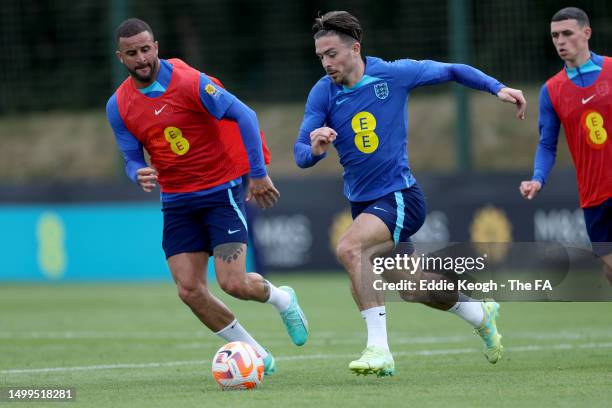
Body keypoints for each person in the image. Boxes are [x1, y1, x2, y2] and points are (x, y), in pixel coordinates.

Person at [295, 11, 526, 376]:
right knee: (413, 289)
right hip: (363, 204)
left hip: (400, 197)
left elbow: (453, 70)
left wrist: (497, 88)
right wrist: (316, 149)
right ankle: (480, 313)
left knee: (350, 248)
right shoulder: (322, 93)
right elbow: (300, 153)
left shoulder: (393, 74)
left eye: (332, 54)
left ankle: (379, 350)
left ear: (355, 48)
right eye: (320, 56)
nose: (326, 63)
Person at [106, 18, 309, 376]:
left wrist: (258, 174)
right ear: (120, 57)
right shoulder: (119, 105)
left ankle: (282, 299)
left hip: (220, 192)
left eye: (146, 49)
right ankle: (256, 354)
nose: (141, 58)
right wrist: (136, 171)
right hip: (177, 202)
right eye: (132, 53)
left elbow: (245, 115)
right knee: (189, 290)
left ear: (156, 46)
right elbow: (131, 157)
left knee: (233, 283)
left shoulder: (189, 82)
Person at [519, 7, 612, 284]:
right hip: (594, 193)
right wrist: (538, 178)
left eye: (567, 34)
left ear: (586, 33)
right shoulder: (552, 90)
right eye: (555, 36)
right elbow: (547, 145)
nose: (560, 41)